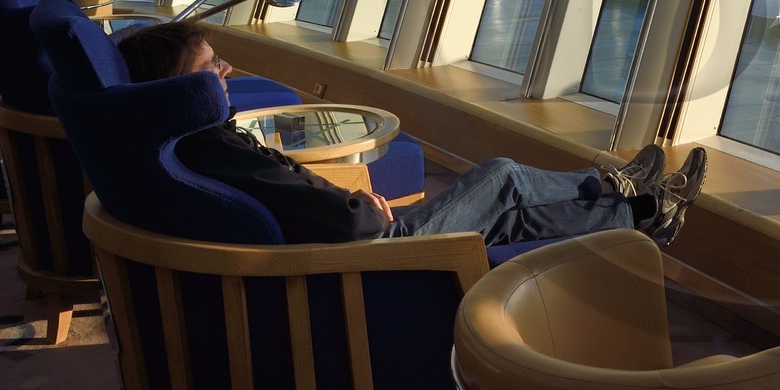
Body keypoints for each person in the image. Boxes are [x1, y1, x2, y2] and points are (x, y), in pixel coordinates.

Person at [114, 21, 706, 247]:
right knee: (502, 178)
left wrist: (344, 201)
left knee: (509, 218)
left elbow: (289, 197)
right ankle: (618, 189)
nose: (226, 72)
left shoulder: (181, 145)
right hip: (372, 253)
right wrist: (359, 207)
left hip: (345, 239)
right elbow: (341, 221)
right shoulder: (214, 148)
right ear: (176, 89)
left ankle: (639, 211)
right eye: (210, 68)